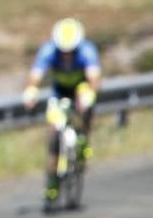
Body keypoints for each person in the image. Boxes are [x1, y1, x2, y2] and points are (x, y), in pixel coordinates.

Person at [22, 17, 101, 203]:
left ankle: (84, 141)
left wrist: (90, 94)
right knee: (53, 130)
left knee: (85, 105)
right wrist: (31, 90)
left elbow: (94, 79)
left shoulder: (87, 51)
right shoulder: (48, 50)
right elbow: (35, 75)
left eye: (70, 51)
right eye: (63, 50)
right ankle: (52, 179)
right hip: (59, 92)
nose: (66, 54)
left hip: (80, 88)